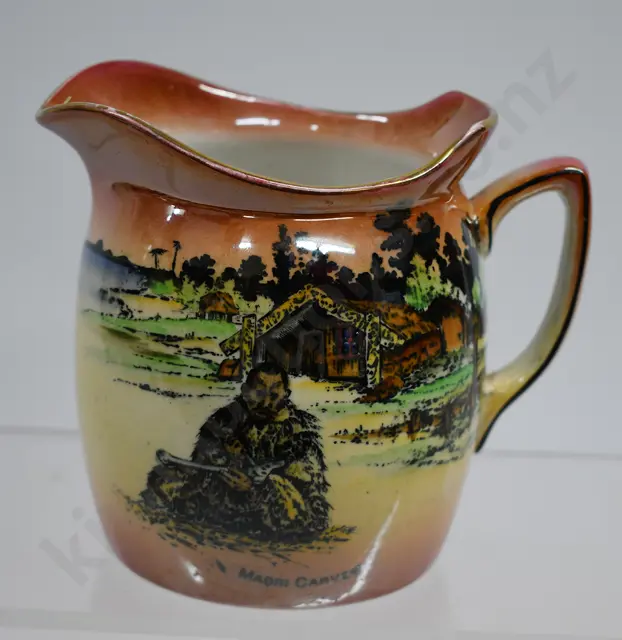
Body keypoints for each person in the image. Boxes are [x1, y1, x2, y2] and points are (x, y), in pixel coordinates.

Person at [141, 363, 331, 540]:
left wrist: (256, 486)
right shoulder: (225, 419)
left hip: (274, 505)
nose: (266, 403)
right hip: (223, 496)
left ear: (286, 395)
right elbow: (201, 463)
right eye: (259, 393)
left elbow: (305, 487)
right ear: (245, 391)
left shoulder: (299, 431)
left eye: (274, 396)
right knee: (164, 478)